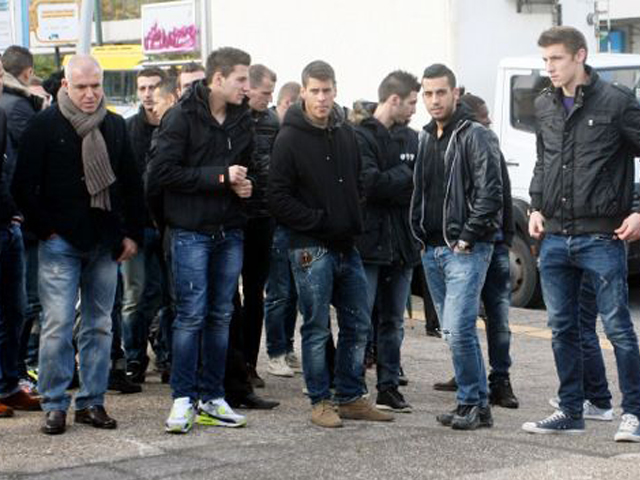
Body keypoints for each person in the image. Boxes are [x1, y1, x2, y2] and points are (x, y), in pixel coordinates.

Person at [13, 54, 144, 435]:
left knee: (100, 325)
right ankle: (54, 404)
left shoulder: (114, 125)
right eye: (82, 87)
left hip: (105, 241)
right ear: (65, 86)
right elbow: (24, 185)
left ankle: (92, 402)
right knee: (57, 325)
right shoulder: (44, 124)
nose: (90, 94)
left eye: (95, 86)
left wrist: (132, 234)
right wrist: (46, 230)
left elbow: (131, 184)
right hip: (60, 242)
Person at [522, 26, 640, 442]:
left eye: (556, 58)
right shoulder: (544, 104)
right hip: (554, 235)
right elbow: (543, 161)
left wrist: (639, 210)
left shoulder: (617, 102)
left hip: (601, 236)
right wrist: (536, 206)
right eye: (545, 60)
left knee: (617, 327)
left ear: (580, 55)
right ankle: (571, 410)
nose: (549, 67)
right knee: (563, 329)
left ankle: (634, 413)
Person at [269, 60, 393, 428]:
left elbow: (359, 182)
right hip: (309, 248)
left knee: (358, 324)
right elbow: (277, 198)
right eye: (315, 91)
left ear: (335, 90)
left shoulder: (345, 134)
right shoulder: (288, 138)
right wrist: (319, 220)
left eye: (327, 90)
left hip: (346, 246)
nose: (322, 98)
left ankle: (351, 396)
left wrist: (352, 218)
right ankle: (320, 400)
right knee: (316, 327)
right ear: (303, 93)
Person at [147, 47, 254, 434]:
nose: (247, 87)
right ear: (218, 78)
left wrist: (247, 186)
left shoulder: (243, 118)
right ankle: (182, 398)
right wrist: (221, 177)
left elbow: (250, 169)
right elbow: (161, 173)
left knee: (221, 316)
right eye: (241, 79)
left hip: (229, 231)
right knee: (190, 316)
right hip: (190, 232)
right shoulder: (181, 116)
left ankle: (212, 397)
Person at [411, 64, 503, 431]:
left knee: (460, 328)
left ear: (455, 93)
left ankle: (470, 402)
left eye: (440, 92)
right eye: (428, 93)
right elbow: (420, 192)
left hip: (464, 248)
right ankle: (477, 405)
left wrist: (468, 236)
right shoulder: (425, 137)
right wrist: (420, 239)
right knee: (451, 331)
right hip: (432, 248)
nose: (434, 100)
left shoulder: (475, 135)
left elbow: (490, 192)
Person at [431, 93, 519, 409]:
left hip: (489, 242)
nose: (490, 119)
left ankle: (499, 380)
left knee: (496, 315)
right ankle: (471, 374)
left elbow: (500, 192)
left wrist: (505, 238)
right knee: (461, 319)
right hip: (469, 244)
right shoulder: (455, 142)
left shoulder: (485, 142)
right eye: (484, 114)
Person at [351, 71, 421, 413]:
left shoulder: (412, 138)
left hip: (402, 243)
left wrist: (395, 183)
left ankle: (388, 386)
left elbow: (419, 187)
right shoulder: (359, 136)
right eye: (411, 103)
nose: (415, 110)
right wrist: (405, 176)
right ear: (394, 99)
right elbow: (369, 184)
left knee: (393, 321)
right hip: (369, 242)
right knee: (360, 320)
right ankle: (353, 388)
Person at [0, 57, 41, 418]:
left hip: (8, 224)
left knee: (16, 310)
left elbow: (8, 168)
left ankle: (9, 385)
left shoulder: (4, 111)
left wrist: (13, 209)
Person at [121, 67, 167, 385]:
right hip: (136, 227)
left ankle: (166, 355)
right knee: (134, 296)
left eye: (153, 87)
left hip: (168, 224)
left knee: (166, 295)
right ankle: (134, 356)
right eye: (142, 88)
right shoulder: (127, 129)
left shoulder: (175, 127)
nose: (148, 93)